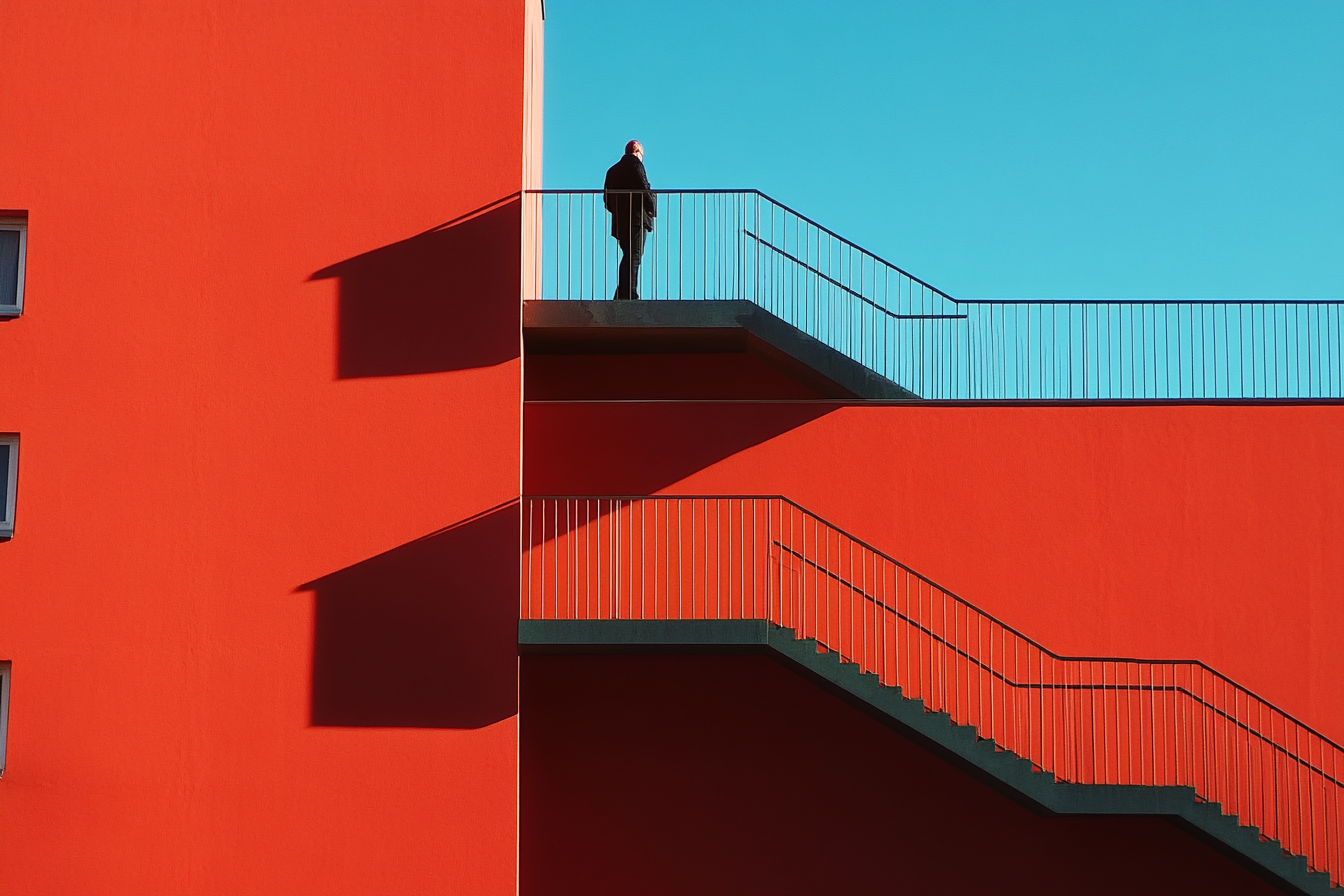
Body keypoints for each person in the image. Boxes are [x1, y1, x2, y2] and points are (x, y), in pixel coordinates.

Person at [603, 140, 656, 300]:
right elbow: (644, 188)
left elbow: (607, 199)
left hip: (621, 220)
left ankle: (622, 291)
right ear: (637, 152)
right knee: (634, 255)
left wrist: (618, 211)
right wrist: (652, 207)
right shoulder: (635, 165)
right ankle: (628, 292)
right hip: (637, 218)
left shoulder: (612, 170)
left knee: (628, 254)